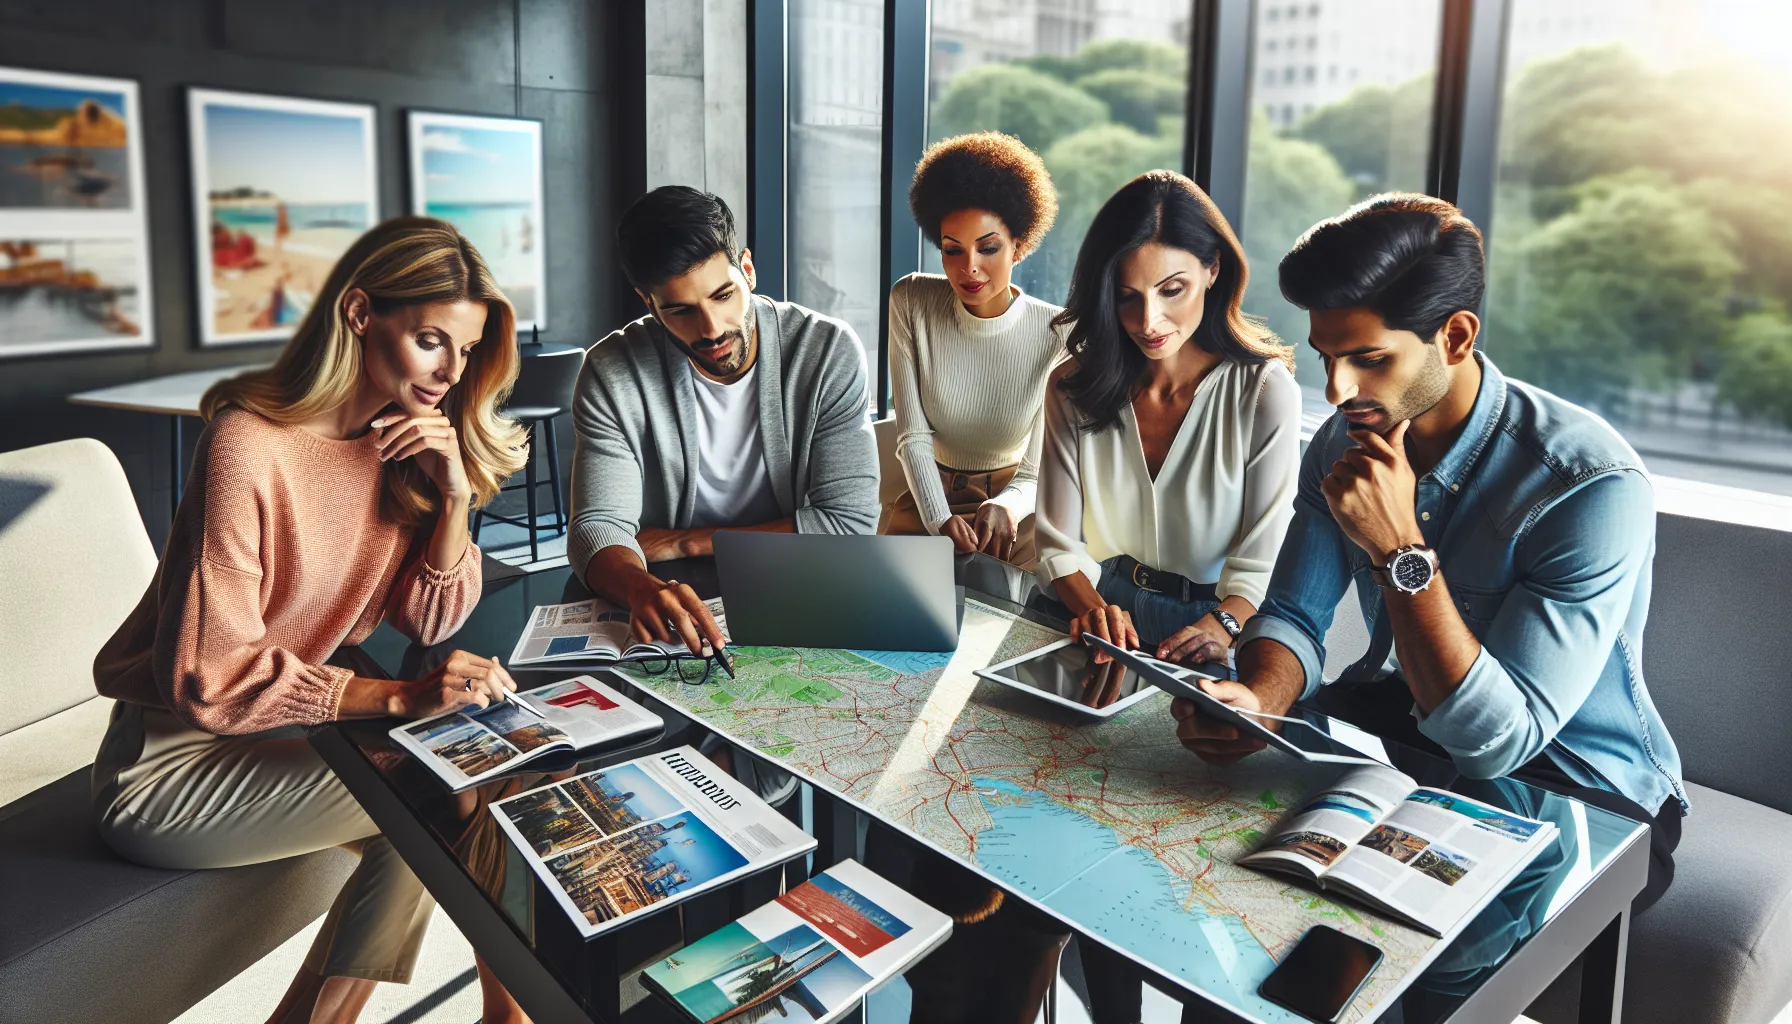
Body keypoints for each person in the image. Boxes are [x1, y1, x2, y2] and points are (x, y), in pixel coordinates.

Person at [1174, 193, 1686, 910]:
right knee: (1204, 874)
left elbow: (1500, 743)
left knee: (1387, 949)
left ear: (1454, 336)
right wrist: (1261, 698)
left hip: (1581, 791)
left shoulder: (1588, 486)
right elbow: (1292, 611)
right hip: (1411, 742)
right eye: (1326, 357)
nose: (1337, 389)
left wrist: (1399, 548)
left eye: (1368, 358)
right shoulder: (1345, 439)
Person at [91, 217, 534, 1024]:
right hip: (168, 770)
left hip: (286, 738)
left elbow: (431, 618)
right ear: (360, 313)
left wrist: (456, 498)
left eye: (465, 352)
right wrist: (396, 700)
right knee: (439, 786)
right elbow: (209, 676)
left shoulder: (397, 444)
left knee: (472, 766)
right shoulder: (249, 445)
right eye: (433, 340)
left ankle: (507, 1015)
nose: (450, 371)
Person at [568, 185, 878, 657]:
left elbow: (849, 524)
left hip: (794, 588)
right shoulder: (613, 372)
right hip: (672, 597)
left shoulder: (827, 351)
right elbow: (597, 528)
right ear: (648, 303)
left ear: (747, 269)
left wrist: (688, 543)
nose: (711, 328)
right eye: (680, 310)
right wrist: (640, 588)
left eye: (723, 294)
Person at [1036, 170, 1303, 665]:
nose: (1148, 322)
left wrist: (1220, 626)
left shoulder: (1264, 391)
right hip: (1094, 606)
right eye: (1126, 295)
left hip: (1219, 619)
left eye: (1171, 290)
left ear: (1213, 270)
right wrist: (1096, 613)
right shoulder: (1071, 386)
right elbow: (1057, 542)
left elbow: (1263, 561)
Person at [883, 131, 1064, 564]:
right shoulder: (910, 300)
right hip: (929, 505)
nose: (969, 268)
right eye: (952, 250)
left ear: (1019, 246)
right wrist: (938, 518)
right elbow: (912, 437)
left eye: (988, 248)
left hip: (1013, 513)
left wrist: (1008, 505)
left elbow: (1038, 470)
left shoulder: (1060, 331)